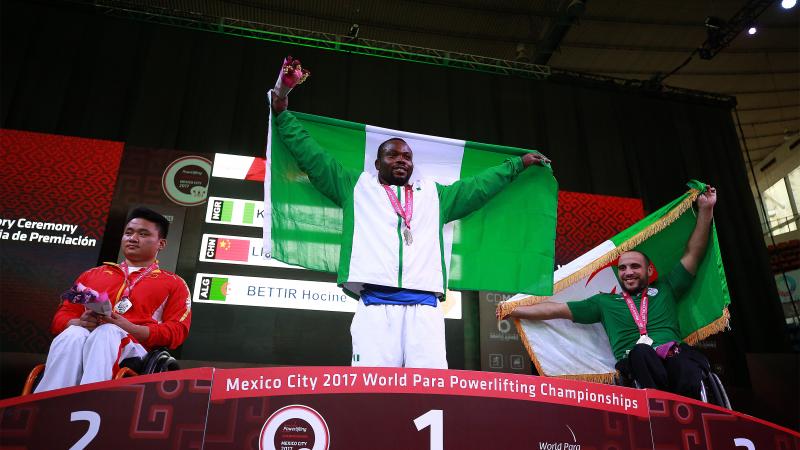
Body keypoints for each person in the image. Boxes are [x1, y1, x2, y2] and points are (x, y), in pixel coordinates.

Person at [270, 82, 550, 369]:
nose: (401, 160)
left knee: (429, 390)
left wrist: (517, 165)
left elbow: (478, 188)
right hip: (375, 306)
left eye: (406, 157)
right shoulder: (354, 187)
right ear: (378, 163)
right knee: (373, 388)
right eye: (392, 155)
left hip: (424, 308)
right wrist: (282, 114)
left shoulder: (435, 196)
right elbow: (314, 158)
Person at [499, 187, 717, 398]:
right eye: (622, 268)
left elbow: (693, 252)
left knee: (684, 359)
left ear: (649, 270)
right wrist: (513, 309)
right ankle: (657, 405)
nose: (628, 272)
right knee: (641, 354)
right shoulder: (604, 302)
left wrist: (706, 209)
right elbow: (554, 310)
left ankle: (690, 408)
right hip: (638, 364)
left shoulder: (666, 288)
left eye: (634, 267)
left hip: (673, 357)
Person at [34, 207, 191, 393]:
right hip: (87, 339)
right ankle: (48, 401)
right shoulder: (92, 275)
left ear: (161, 244)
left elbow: (177, 331)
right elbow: (61, 318)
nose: (133, 238)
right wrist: (79, 321)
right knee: (73, 333)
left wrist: (131, 328)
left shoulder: (174, 283)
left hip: (136, 352)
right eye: (129, 233)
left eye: (143, 234)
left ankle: (92, 401)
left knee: (107, 331)